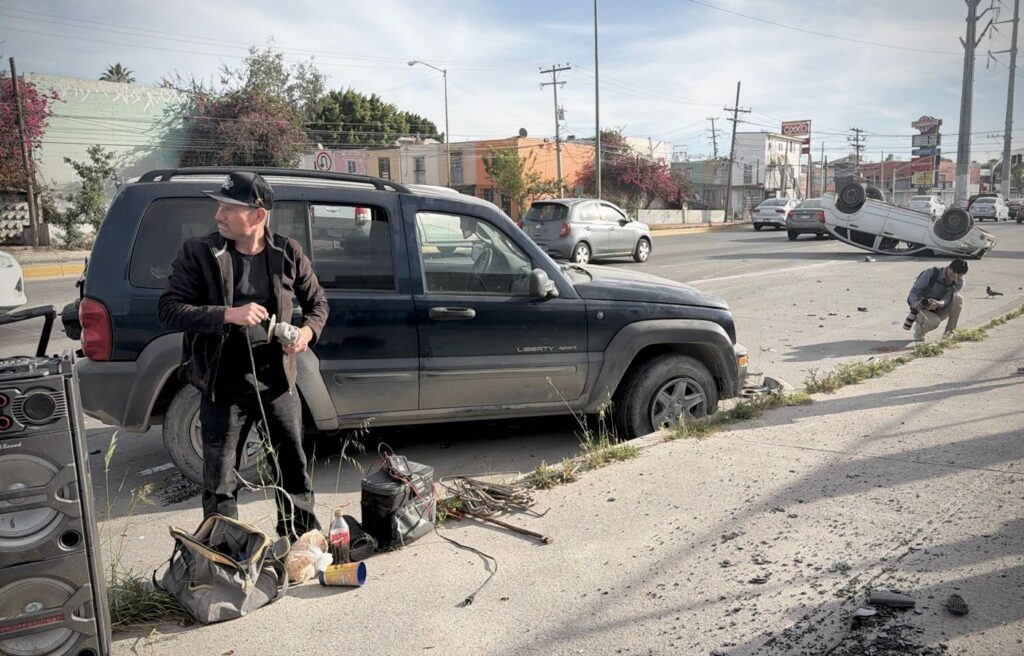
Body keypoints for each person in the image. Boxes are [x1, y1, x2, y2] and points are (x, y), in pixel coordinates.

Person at [158, 171, 329, 542]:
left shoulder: (287, 252)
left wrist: (305, 333)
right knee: (220, 480)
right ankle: (226, 553)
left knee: (292, 468)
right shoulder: (199, 252)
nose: (218, 215)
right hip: (222, 386)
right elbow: (168, 310)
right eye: (218, 206)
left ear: (258, 215)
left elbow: (318, 304)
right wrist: (226, 314)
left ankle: (299, 542)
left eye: (228, 208)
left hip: (277, 383)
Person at [906, 258, 968, 342]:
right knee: (934, 322)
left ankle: (949, 333)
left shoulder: (960, 281)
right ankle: (920, 330)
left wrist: (939, 303)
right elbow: (914, 292)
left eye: (957, 276)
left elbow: (948, 297)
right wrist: (915, 304)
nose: (953, 278)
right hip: (921, 308)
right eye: (952, 274)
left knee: (958, 299)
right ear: (949, 267)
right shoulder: (931, 273)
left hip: (939, 308)